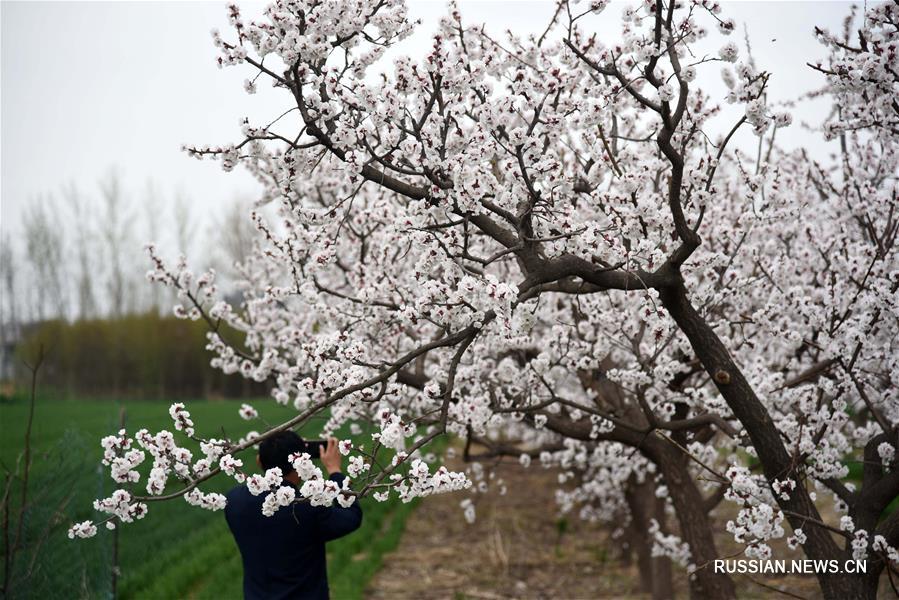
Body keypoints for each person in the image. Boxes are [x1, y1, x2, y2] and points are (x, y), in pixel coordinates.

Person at [225, 432, 363, 600]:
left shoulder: (233, 501)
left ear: (259, 461)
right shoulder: (309, 507)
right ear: (302, 464)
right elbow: (351, 516)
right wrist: (335, 472)